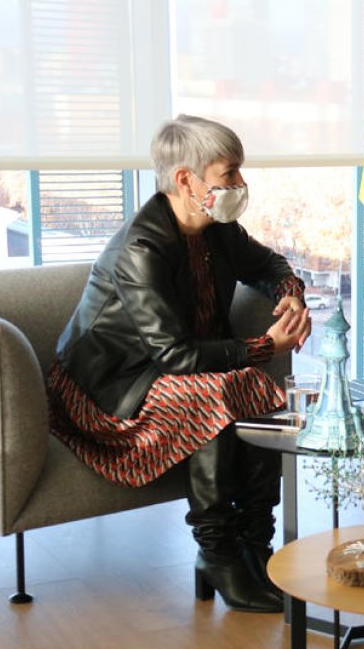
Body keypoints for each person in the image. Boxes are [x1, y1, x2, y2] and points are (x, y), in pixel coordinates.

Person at [46, 114, 311, 614]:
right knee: (212, 393)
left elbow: (270, 264)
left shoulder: (217, 229)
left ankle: (256, 546)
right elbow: (176, 355)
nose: (239, 184)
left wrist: (291, 295)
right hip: (108, 391)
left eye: (238, 172)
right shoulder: (141, 248)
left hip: (170, 371)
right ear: (186, 180)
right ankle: (217, 553)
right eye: (228, 173)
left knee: (256, 390)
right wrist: (265, 345)